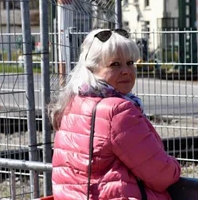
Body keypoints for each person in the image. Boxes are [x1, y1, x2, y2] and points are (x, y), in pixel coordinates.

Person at [50, 29, 181, 199]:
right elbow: (161, 175)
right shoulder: (118, 111)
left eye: (130, 62)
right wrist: (175, 166)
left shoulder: (72, 102)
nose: (126, 71)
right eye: (115, 64)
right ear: (92, 68)